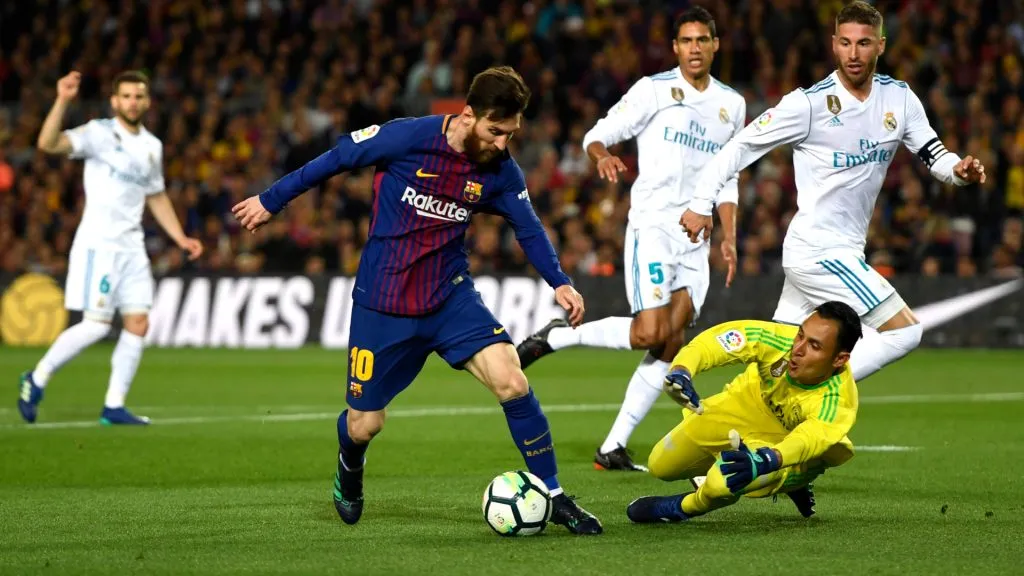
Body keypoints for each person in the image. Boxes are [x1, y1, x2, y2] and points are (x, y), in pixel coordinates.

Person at [231, 66, 603, 535]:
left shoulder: (501, 171)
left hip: (449, 297)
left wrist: (560, 281)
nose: (502, 143)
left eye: (511, 133)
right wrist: (271, 199)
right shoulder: (406, 138)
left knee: (512, 380)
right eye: (495, 131)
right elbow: (334, 159)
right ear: (467, 115)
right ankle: (350, 462)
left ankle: (553, 494)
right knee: (365, 425)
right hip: (383, 304)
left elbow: (527, 227)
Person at [681, 1, 986, 384]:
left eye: (863, 43)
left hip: (838, 250)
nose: (853, 53)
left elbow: (934, 154)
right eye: (845, 43)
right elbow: (739, 147)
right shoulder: (808, 104)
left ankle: (733, 431)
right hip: (819, 251)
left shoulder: (900, 99)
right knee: (905, 331)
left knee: (775, 364)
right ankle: (814, 390)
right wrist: (699, 203)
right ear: (833, 45)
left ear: (881, 46)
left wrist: (959, 171)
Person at [516, 7, 747, 472]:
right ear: (676, 47)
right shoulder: (653, 90)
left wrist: (729, 236)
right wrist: (601, 155)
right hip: (654, 225)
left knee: (669, 342)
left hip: (697, 237)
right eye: (686, 40)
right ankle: (562, 336)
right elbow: (597, 135)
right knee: (648, 332)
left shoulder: (733, 105)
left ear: (715, 45)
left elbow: (729, 176)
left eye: (703, 39)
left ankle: (612, 447)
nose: (695, 48)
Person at [18, 70, 202, 425]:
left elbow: (157, 196)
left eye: (139, 96)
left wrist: (180, 237)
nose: (133, 102)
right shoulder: (98, 133)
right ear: (114, 101)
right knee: (97, 325)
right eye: (127, 96)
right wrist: (62, 100)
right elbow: (48, 144)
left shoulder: (152, 146)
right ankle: (37, 377)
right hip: (98, 244)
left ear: (147, 102)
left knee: (138, 322)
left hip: (132, 246)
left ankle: (114, 405)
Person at [626, 301, 862, 523]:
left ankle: (683, 507)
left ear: (839, 359)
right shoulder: (779, 341)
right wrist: (682, 370)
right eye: (801, 334)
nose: (797, 349)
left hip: (778, 443)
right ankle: (773, 477)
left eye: (814, 346)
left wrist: (768, 460)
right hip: (738, 409)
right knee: (660, 465)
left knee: (721, 484)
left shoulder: (838, 402)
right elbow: (718, 342)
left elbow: (806, 440)